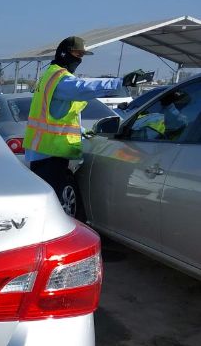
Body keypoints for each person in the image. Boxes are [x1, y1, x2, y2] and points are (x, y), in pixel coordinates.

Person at [24, 35, 148, 216]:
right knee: (49, 210)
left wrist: (84, 132)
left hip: (44, 152)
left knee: (48, 204)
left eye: (82, 55)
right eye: (77, 54)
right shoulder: (60, 79)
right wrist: (120, 82)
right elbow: (84, 87)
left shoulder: (50, 76)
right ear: (64, 54)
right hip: (49, 154)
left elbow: (59, 116)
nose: (79, 59)